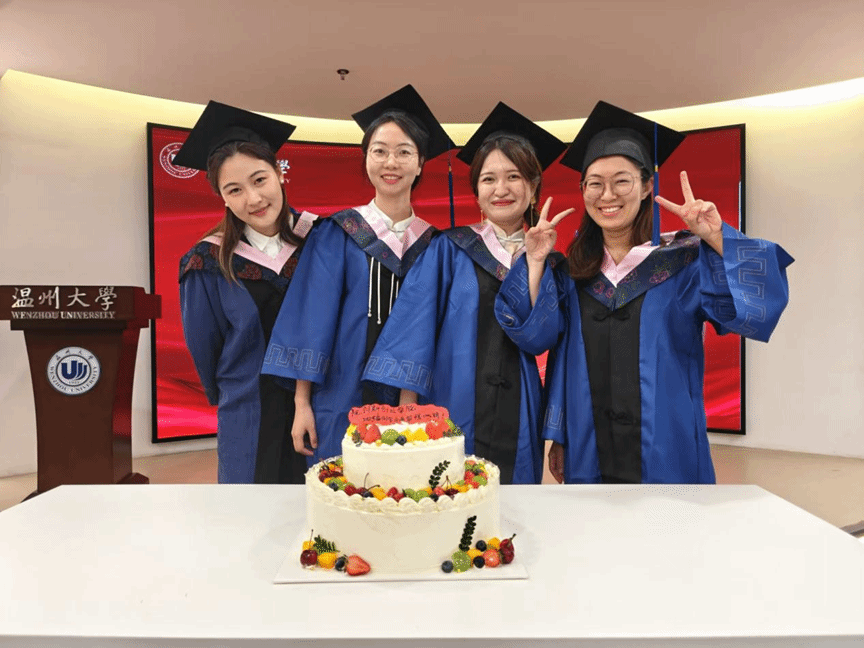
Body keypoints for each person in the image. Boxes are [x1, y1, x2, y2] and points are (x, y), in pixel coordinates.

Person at [495, 101, 794, 484]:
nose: (607, 195)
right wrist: (561, 433)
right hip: (589, 443)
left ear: (647, 186)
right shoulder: (574, 273)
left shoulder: (684, 261)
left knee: (668, 520)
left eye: (622, 181)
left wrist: (717, 237)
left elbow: (756, 311)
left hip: (667, 442)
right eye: (595, 183)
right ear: (583, 191)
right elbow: (552, 352)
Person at [362, 102, 573, 484]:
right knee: (447, 495)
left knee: (511, 506)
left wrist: (535, 261)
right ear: (476, 192)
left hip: (518, 407)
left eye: (513, 177)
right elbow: (414, 331)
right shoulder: (448, 249)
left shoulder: (550, 262)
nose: (501, 189)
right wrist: (407, 416)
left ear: (533, 187)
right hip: (449, 403)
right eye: (488, 179)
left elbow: (540, 339)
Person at [261, 85, 455, 463]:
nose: (390, 162)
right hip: (341, 392)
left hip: (415, 398)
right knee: (342, 485)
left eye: (404, 152)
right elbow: (311, 319)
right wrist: (302, 403)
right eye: (379, 151)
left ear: (420, 163)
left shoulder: (436, 245)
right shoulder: (338, 232)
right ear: (366, 159)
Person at [175, 101, 318, 484]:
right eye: (234, 190)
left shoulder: (323, 241)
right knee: (252, 510)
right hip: (249, 410)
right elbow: (205, 349)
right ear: (222, 197)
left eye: (260, 180)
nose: (253, 199)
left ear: (279, 174)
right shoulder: (207, 262)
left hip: (323, 404)